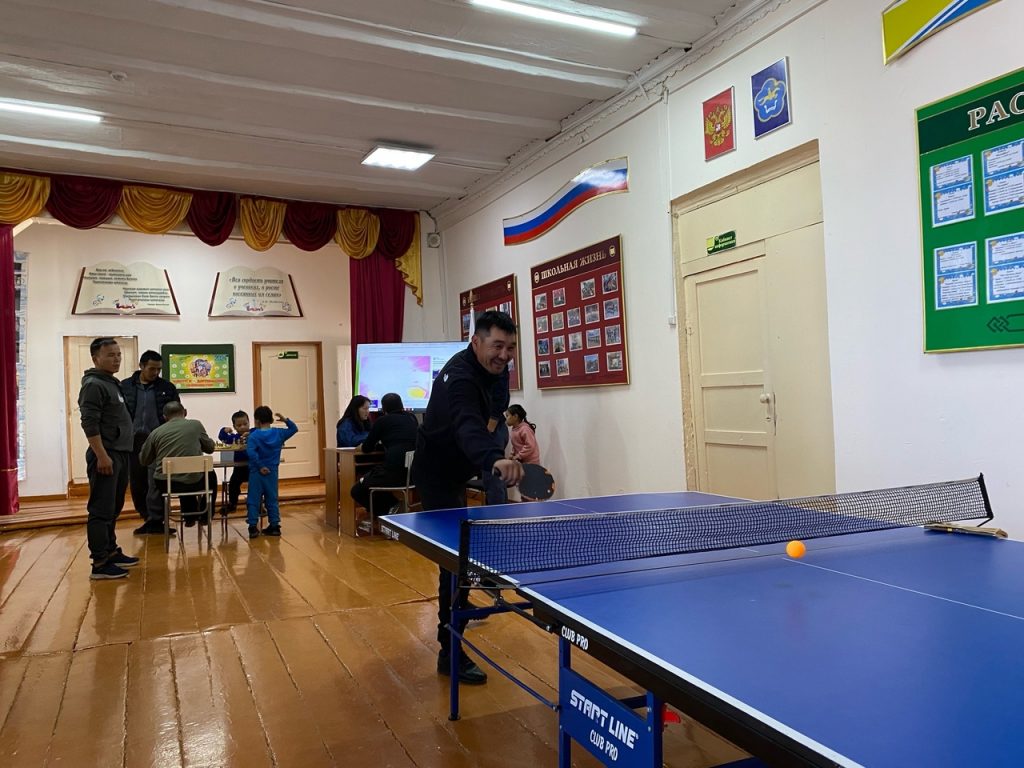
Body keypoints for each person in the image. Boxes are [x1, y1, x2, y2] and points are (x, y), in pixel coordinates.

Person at [411, 311, 524, 685]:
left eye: (510, 347)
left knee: (463, 554)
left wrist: (492, 446)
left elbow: (494, 409)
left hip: (462, 466)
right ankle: (450, 652)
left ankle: (462, 595)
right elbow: (466, 424)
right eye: (497, 346)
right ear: (475, 342)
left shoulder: (497, 368)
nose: (504, 355)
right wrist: (493, 457)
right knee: (453, 560)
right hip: (435, 473)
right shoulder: (459, 378)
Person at [79, 337, 139, 579]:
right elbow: (89, 423)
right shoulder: (94, 385)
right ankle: (100, 563)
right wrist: (101, 455)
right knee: (101, 509)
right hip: (106, 454)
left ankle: (111, 551)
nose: (116, 359)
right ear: (96, 358)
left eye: (118, 354)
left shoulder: (111, 383)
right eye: (110, 355)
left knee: (113, 507)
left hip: (120, 453)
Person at [121, 349, 180, 530]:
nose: (156, 373)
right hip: (134, 440)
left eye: (159, 369)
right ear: (141, 366)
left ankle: (157, 519)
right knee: (137, 480)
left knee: (157, 481)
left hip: (159, 440)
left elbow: (177, 412)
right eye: (152, 369)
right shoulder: (125, 386)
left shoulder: (167, 387)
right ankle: (146, 516)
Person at [139, 402, 217, 527]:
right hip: (194, 482)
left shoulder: (156, 432)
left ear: (164, 417)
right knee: (207, 475)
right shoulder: (195, 425)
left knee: (179, 476)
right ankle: (205, 514)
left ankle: (189, 516)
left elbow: (144, 460)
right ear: (185, 412)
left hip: (166, 484)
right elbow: (210, 448)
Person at [350, 392, 418, 518]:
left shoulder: (382, 421)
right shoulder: (412, 418)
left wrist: (361, 446)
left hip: (393, 474)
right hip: (413, 475)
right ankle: (392, 508)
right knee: (374, 481)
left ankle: (388, 512)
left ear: (384, 409)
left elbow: (367, 448)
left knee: (357, 490)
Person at [246, 406, 298, 539]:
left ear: (257, 421)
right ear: (271, 419)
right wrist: (285, 420)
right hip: (272, 471)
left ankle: (253, 527)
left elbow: (251, 453)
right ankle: (274, 526)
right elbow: (294, 429)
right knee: (272, 498)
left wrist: (260, 466)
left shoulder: (253, 436)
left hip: (256, 472)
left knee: (253, 499)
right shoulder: (278, 433)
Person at [217, 410, 250, 513]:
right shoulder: (234, 438)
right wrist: (224, 430)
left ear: (249, 422)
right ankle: (232, 504)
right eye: (239, 425)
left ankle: (256, 504)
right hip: (239, 469)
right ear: (234, 427)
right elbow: (222, 437)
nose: (243, 427)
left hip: (252, 468)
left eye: (245, 424)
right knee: (233, 485)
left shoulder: (254, 434)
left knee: (257, 486)